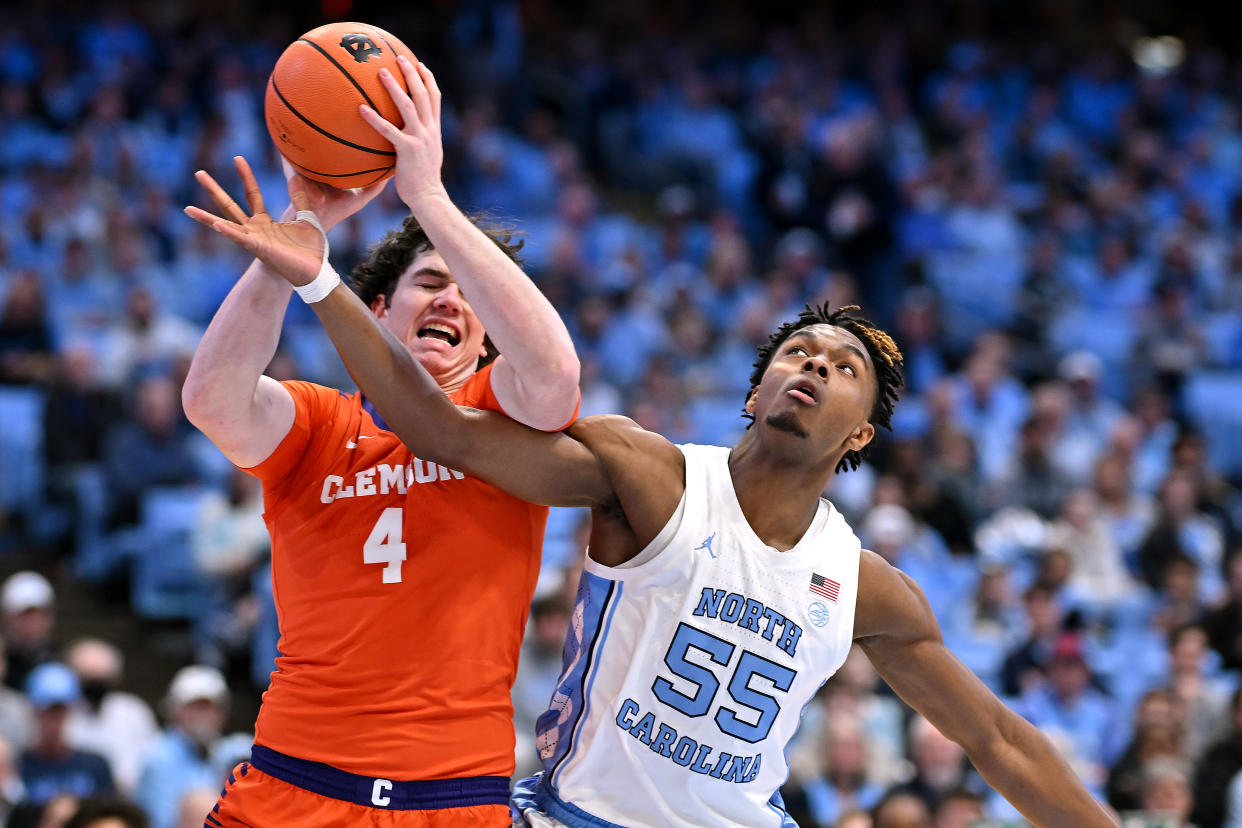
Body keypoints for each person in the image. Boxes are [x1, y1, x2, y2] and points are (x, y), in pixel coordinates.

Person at [189, 156, 1120, 825]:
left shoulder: (868, 585)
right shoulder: (646, 473)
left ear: (862, 433)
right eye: (797, 350)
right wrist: (314, 274)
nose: (813, 366)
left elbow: (997, 740)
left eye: (842, 369)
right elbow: (437, 428)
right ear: (753, 389)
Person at [180, 55, 579, 826]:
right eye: (431, 283)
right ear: (376, 309)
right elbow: (211, 400)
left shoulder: (504, 418)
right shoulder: (321, 423)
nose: (453, 302)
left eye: (470, 296)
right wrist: (299, 247)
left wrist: (427, 198)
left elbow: (557, 371)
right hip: (292, 784)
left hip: (452, 799)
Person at [135, 666, 230, 828]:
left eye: (213, 708)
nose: (206, 715)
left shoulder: (225, 751)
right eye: (197, 707)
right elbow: (162, 821)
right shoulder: (158, 756)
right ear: (175, 710)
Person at [63, 638, 159, 795]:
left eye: (102, 678)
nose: (96, 685)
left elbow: (152, 761)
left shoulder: (134, 711)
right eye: (88, 678)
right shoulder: (63, 713)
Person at [18, 663, 113, 808]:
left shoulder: (95, 765)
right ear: (33, 710)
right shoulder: (18, 766)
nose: (54, 718)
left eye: (61, 709)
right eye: (48, 710)